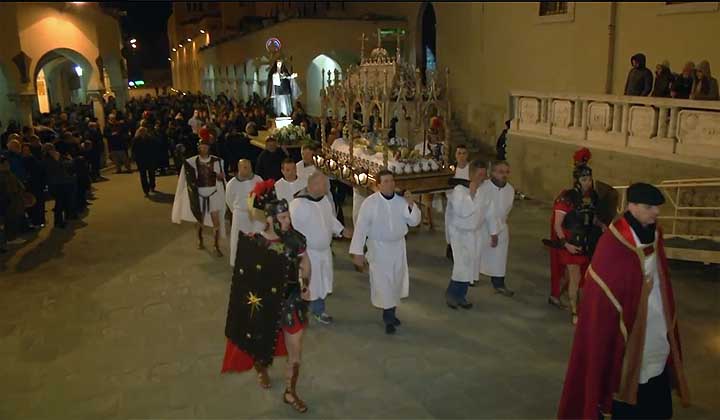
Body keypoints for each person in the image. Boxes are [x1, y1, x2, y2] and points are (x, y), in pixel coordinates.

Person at [558, 183, 690, 419]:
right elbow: (602, 295)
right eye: (649, 207)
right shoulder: (614, 241)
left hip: (655, 313)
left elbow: (661, 275)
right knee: (625, 366)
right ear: (631, 206)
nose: (656, 212)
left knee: (656, 358)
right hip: (626, 322)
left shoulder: (655, 232)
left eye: (657, 207)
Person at [222, 179, 311, 413]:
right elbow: (247, 281)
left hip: (292, 302)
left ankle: (290, 393)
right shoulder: (256, 244)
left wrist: (305, 283)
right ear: (270, 220)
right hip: (265, 304)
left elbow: (305, 261)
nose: (287, 221)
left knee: (296, 352)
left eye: (288, 216)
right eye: (282, 218)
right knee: (262, 345)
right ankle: (261, 368)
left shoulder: (295, 239)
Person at [349, 170, 422, 334]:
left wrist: (411, 204)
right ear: (378, 185)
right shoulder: (370, 203)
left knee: (396, 280)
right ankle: (388, 318)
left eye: (392, 181)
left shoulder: (401, 201)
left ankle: (391, 312)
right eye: (386, 181)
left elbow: (414, 221)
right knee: (384, 283)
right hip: (379, 248)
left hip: (397, 247)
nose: (390, 184)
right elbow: (361, 228)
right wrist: (357, 252)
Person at [546, 148, 604, 324]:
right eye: (584, 179)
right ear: (577, 180)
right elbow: (557, 224)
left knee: (581, 276)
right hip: (571, 240)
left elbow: (593, 218)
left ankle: (566, 299)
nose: (588, 182)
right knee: (575, 275)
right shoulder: (567, 197)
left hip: (587, 240)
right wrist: (565, 244)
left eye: (589, 179)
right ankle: (575, 310)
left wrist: (604, 227)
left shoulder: (593, 197)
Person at [290, 171, 352, 324]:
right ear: (313, 185)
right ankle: (303, 312)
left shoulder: (324, 200)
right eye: (324, 184)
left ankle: (319, 310)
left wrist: (341, 230)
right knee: (309, 284)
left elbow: (330, 219)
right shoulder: (298, 205)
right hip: (308, 254)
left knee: (322, 281)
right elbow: (292, 230)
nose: (327, 187)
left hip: (324, 252)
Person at [171, 138, 227, 257]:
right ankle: (200, 238)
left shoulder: (217, 161)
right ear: (198, 147)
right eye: (201, 147)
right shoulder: (192, 162)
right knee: (199, 220)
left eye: (206, 147)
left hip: (213, 194)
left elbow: (221, 178)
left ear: (209, 148)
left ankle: (216, 245)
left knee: (216, 222)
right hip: (200, 195)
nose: (203, 149)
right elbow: (187, 175)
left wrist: (220, 177)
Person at [445, 160, 488, 309]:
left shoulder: (483, 190)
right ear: (472, 174)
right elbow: (462, 211)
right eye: (479, 174)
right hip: (460, 234)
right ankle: (451, 294)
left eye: (484, 174)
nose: (482, 177)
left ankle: (461, 296)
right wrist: (471, 193)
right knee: (461, 266)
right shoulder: (459, 190)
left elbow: (486, 211)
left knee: (470, 267)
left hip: (475, 234)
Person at [478, 160, 515, 297]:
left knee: (499, 258)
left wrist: (498, 229)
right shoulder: (484, 188)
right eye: (500, 172)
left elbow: (506, 210)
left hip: (501, 228)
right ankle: (471, 278)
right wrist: (491, 230)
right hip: (483, 227)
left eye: (506, 172)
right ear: (492, 173)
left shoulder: (510, 189)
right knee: (478, 254)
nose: (504, 175)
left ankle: (499, 283)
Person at [224, 159, 264, 266]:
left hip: (256, 214)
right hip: (240, 215)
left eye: (249, 167)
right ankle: (238, 263)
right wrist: (237, 211)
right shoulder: (231, 183)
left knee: (257, 237)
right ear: (239, 168)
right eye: (245, 167)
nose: (248, 169)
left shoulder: (258, 179)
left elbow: (263, 195)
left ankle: (257, 261)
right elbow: (229, 199)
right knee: (238, 239)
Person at [131, 127, 157, 197]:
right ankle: (146, 190)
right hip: (141, 160)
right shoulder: (136, 140)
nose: (142, 132)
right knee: (143, 175)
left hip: (149, 158)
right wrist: (134, 158)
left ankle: (152, 186)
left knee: (151, 173)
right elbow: (133, 149)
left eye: (143, 131)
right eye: (141, 131)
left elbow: (154, 148)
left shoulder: (150, 139)